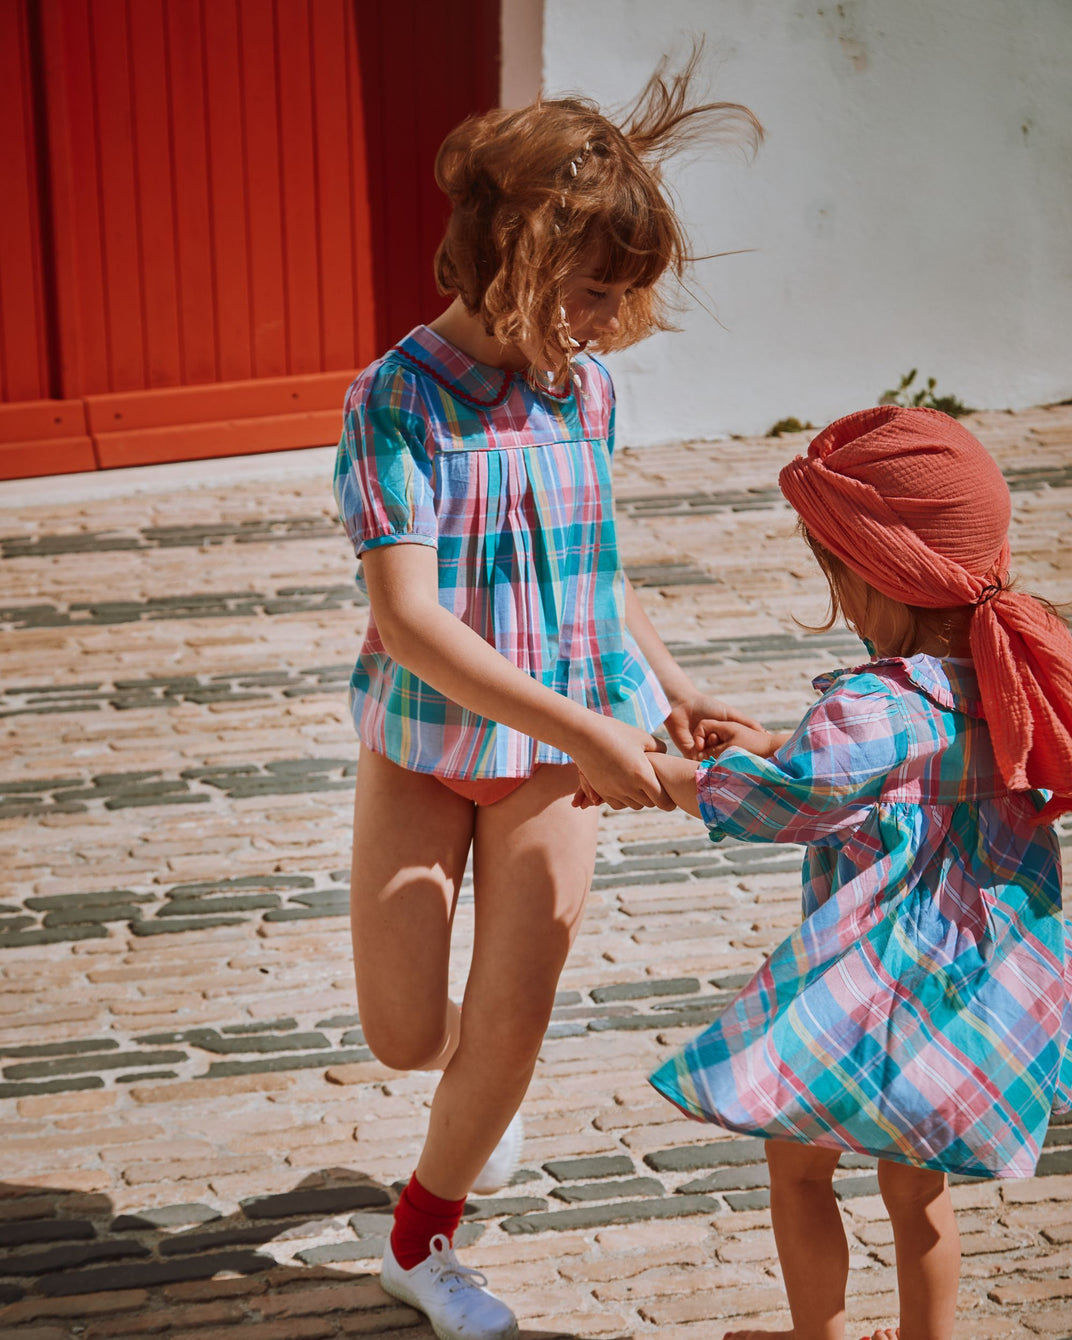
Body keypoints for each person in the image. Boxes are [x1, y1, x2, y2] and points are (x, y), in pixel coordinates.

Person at [332, 54, 763, 1340]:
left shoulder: (589, 392)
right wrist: (591, 728)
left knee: (514, 1015)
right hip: (424, 746)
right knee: (406, 1031)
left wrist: (669, 690)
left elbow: (592, 570)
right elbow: (411, 622)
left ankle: (423, 1238)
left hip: (550, 764)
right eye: (589, 290)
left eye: (621, 296)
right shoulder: (395, 400)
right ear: (508, 254)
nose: (607, 321)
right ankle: (475, 1077)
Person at [579, 405, 1072, 1340]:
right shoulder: (1006, 681)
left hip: (873, 987)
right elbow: (908, 775)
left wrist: (661, 777)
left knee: (797, 1167)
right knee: (917, 1190)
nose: (841, 602)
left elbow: (795, 801)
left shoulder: (873, 704)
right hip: (967, 987)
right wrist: (775, 740)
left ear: (883, 575)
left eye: (838, 575)